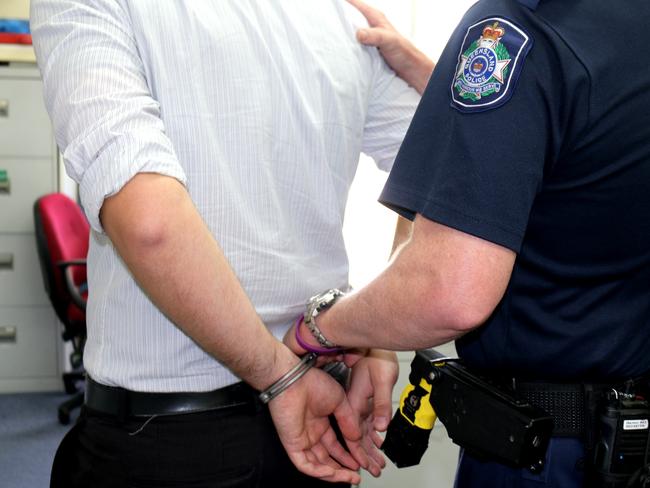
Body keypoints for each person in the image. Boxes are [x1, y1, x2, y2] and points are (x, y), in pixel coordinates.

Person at [30, 0, 428, 486]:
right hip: (320, 417)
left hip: (169, 442)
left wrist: (282, 373)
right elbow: (437, 177)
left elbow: (149, 224)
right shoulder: (342, 18)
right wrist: (375, 336)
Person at [285, 0, 650, 487]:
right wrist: (445, 83)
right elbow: (595, 147)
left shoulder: (518, 28)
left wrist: (323, 328)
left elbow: (450, 292)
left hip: (547, 455)